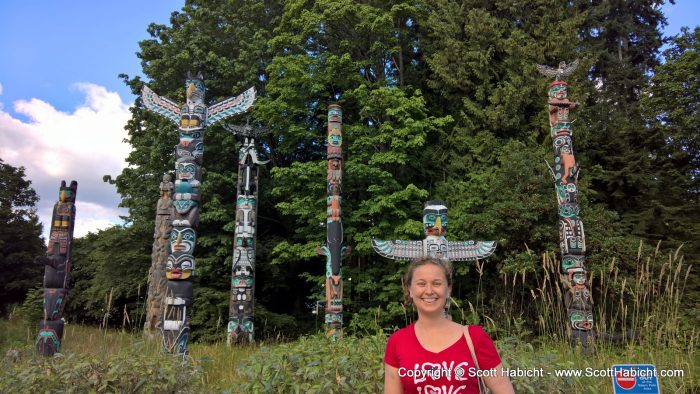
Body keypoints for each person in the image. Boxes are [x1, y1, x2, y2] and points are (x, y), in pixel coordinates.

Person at [384, 257, 515, 393]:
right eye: (421, 284)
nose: (429, 291)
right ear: (410, 289)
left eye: (437, 283)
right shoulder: (397, 341)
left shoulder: (475, 338)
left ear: (449, 289)